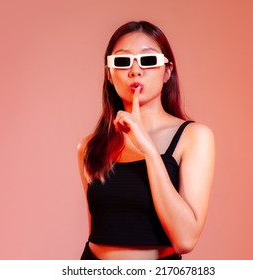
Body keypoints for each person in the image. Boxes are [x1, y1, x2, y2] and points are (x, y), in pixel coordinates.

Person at [77, 21, 215, 260]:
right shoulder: (90, 147)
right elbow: (97, 230)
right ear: (109, 74)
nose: (135, 71)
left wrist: (149, 150)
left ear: (168, 71)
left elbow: (185, 239)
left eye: (148, 61)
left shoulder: (194, 137)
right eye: (122, 62)